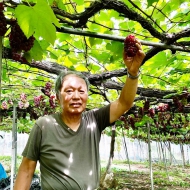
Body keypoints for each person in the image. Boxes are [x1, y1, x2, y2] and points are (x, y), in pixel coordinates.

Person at [14, 39, 145, 190]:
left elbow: (124, 103)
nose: (76, 96)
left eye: (81, 91)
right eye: (69, 91)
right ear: (58, 97)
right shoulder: (44, 125)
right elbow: (26, 170)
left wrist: (133, 72)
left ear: (87, 96)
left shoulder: (94, 120)